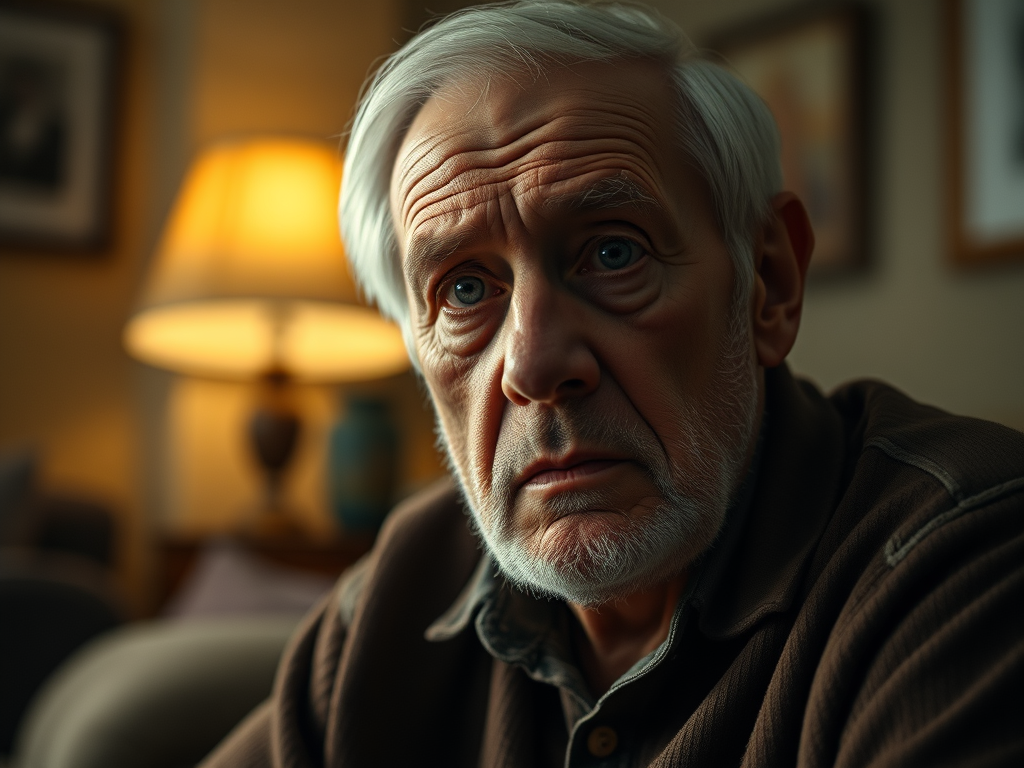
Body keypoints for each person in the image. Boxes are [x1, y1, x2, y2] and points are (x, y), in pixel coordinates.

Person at [203, 2, 1024, 766]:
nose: (532, 366)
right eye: (462, 289)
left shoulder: (968, 563)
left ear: (767, 284)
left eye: (612, 251)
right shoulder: (394, 597)